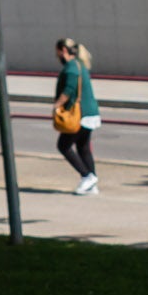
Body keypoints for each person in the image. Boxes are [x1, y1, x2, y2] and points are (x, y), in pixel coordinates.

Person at [52, 37, 99, 194]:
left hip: (80, 114)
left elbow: (69, 89)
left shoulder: (71, 67)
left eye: (57, 52)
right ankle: (91, 183)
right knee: (83, 147)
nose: (57, 56)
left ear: (63, 51)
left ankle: (87, 176)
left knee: (63, 145)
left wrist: (57, 105)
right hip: (89, 112)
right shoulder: (79, 64)